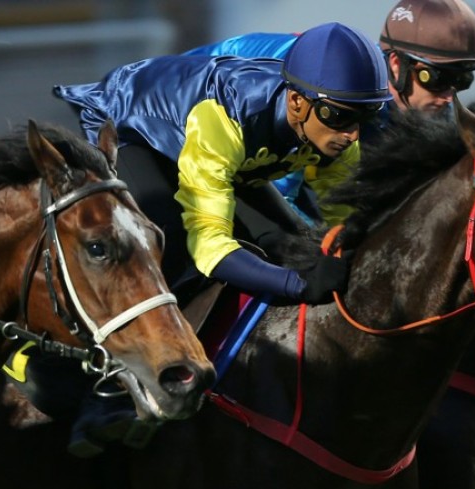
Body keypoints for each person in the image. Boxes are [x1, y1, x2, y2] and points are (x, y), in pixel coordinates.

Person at [52, 21, 391, 455]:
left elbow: (344, 221)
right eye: (340, 117)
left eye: (362, 118)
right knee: (168, 244)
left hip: (231, 153)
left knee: (293, 242)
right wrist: (299, 287)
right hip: (134, 129)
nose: (351, 135)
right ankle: (102, 396)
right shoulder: (224, 120)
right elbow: (209, 247)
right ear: (297, 102)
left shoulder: (328, 124)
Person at [185, 0, 475, 222]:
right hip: (178, 119)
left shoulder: (426, 104)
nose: (448, 96)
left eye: (463, 80)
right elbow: (280, 198)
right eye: (438, 79)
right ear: (396, 65)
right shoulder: (334, 95)